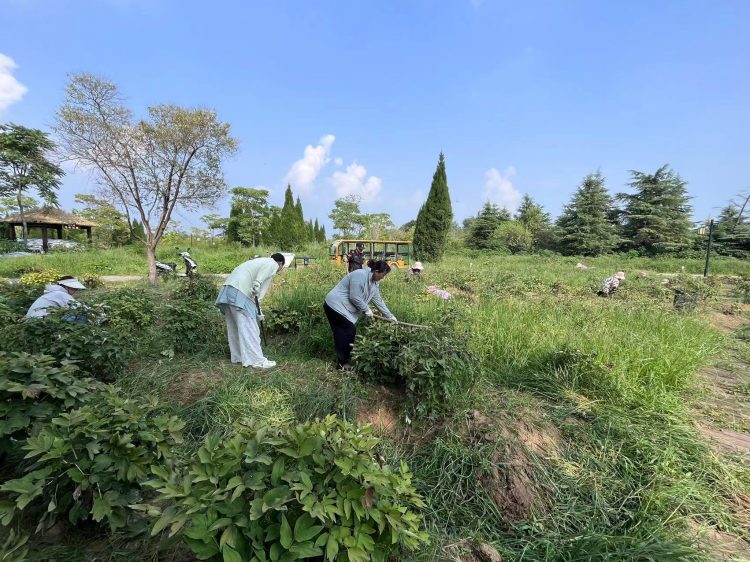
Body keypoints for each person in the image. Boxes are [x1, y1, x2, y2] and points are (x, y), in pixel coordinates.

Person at [215, 253, 286, 369]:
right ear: (280, 264)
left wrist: (258, 310)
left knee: (235, 327)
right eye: (281, 267)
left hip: (228, 290)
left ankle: (238, 357)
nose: (279, 270)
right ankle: (257, 361)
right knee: (250, 328)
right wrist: (257, 282)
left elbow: (257, 296)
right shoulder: (272, 263)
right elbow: (258, 283)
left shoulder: (256, 262)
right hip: (240, 292)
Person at [323, 259, 397, 370]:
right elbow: (354, 297)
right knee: (348, 331)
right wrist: (366, 309)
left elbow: (378, 301)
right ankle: (343, 363)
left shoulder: (374, 283)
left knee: (342, 333)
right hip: (335, 305)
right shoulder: (360, 275)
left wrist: (390, 316)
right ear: (376, 271)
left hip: (344, 309)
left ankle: (342, 362)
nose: (383, 277)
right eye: (383, 275)